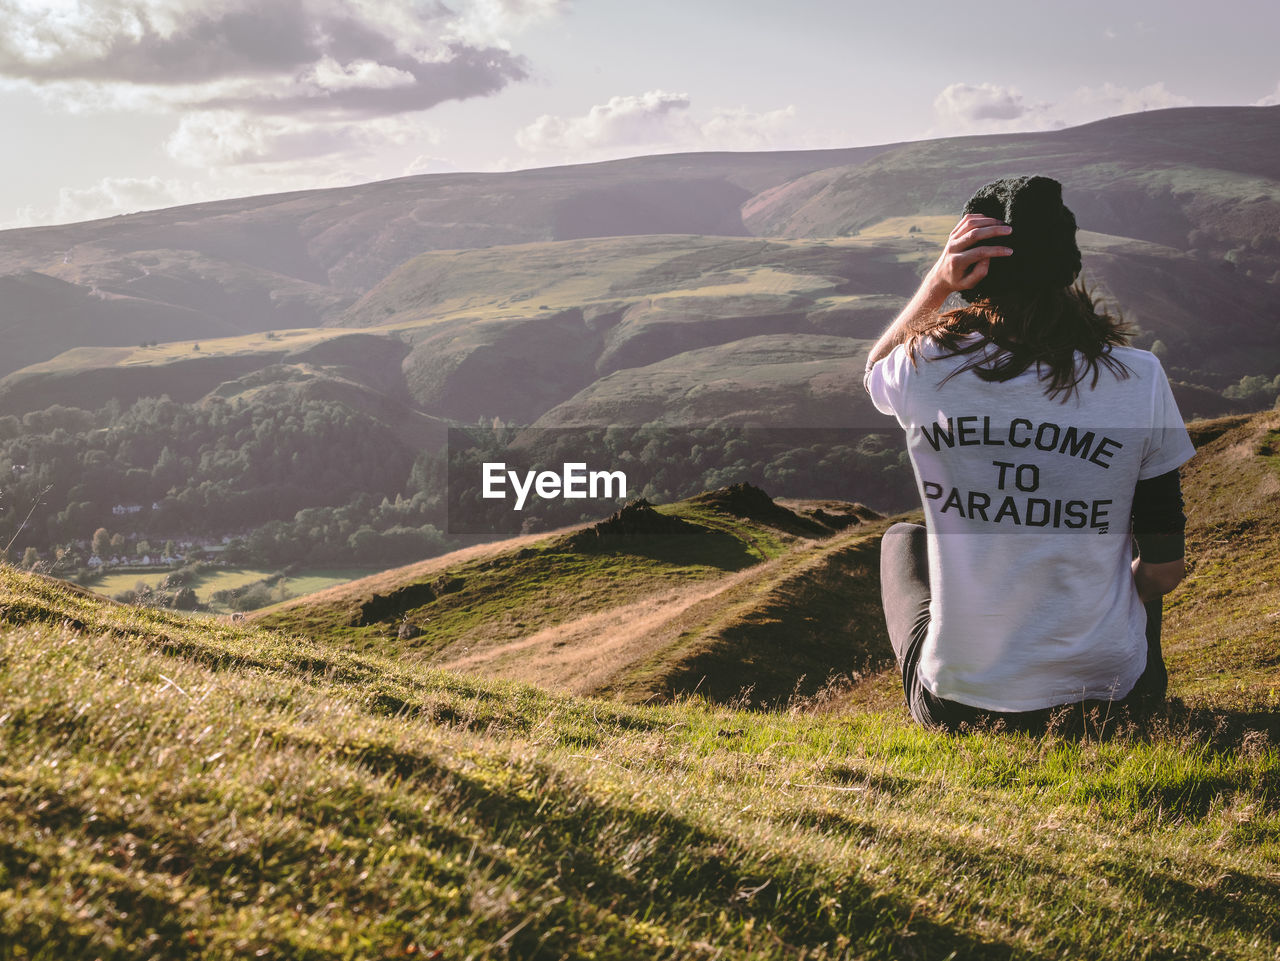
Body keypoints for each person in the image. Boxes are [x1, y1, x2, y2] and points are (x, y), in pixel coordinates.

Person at [862, 176, 1195, 732]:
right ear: (1068, 266)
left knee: (903, 540)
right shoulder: (1139, 377)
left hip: (961, 705)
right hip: (1111, 702)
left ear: (971, 268)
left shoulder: (920, 366)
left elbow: (873, 371)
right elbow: (1164, 569)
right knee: (1129, 557)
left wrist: (936, 285)